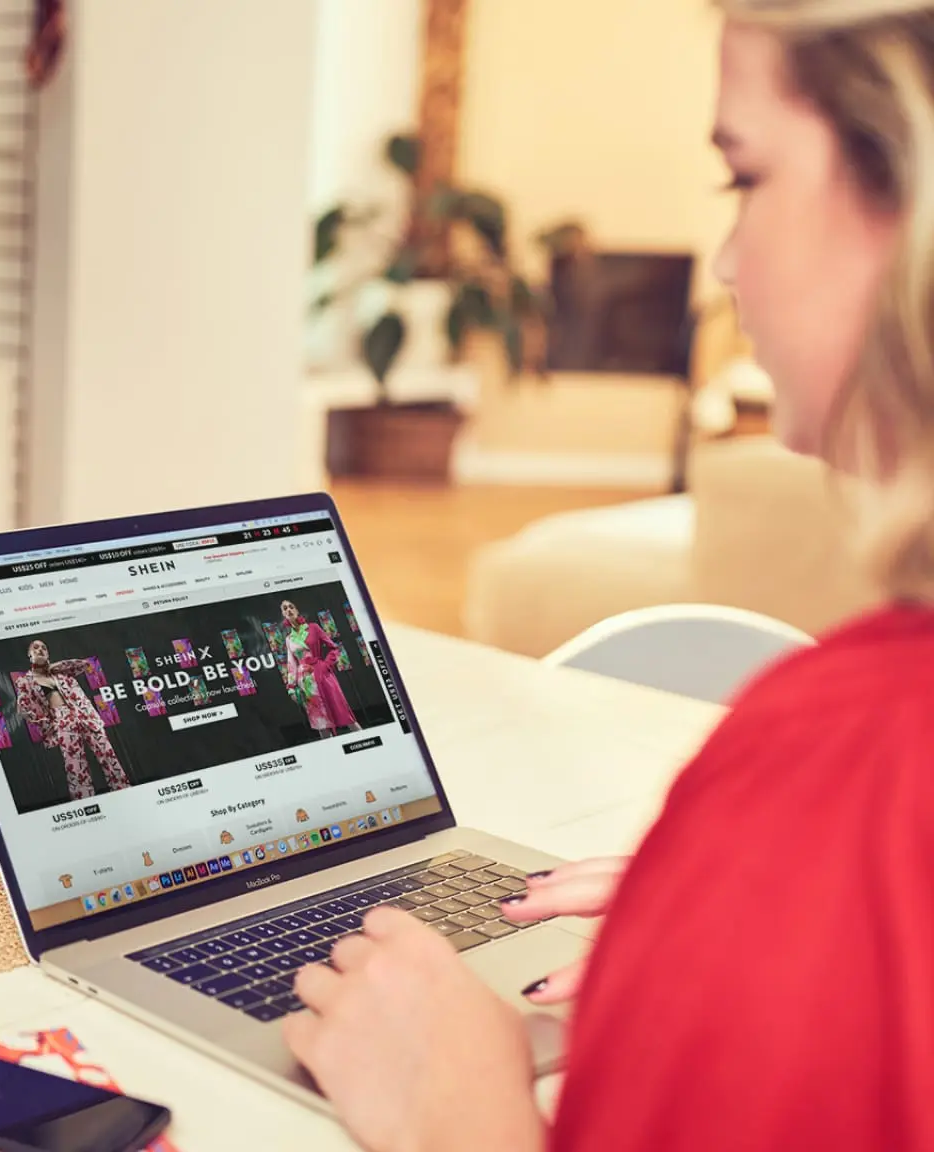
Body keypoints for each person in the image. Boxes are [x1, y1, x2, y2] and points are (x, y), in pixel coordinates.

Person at [280, 3, 934, 1149]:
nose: (728, 258)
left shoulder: (855, 754)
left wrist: (462, 1118)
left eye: (744, 176)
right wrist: (743, 909)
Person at [15, 639, 132, 801]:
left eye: (44, 648)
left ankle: (124, 791)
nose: (40, 650)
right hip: (62, 720)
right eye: (36, 648)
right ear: (29, 654)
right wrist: (48, 724)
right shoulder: (25, 681)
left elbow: (83, 665)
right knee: (76, 766)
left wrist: (55, 666)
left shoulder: (61, 673)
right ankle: (85, 802)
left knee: (108, 754)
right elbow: (23, 708)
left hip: (85, 714)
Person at [281, 599, 362, 738]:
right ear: (283, 614)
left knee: (343, 713)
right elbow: (291, 664)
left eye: (291, 607)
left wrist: (326, 665)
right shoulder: (289, 639)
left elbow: (333, 648)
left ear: (296, 610)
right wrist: (291, 687)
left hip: (322, 674)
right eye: (285, 608)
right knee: (320, 722)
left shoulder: (313, 628)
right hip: (306, 682)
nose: (289, 610)